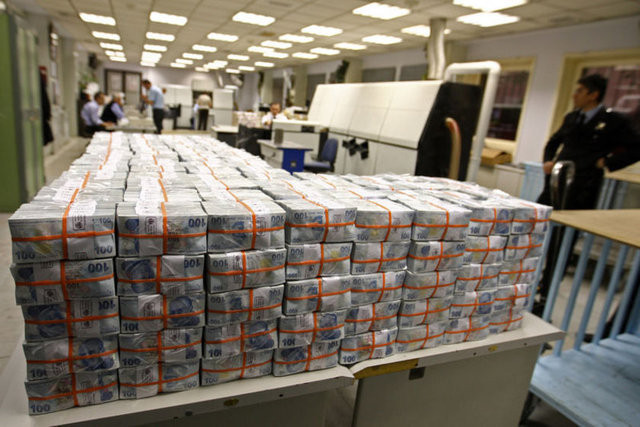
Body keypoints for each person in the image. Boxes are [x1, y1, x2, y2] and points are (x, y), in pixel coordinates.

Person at [534, 74, 640, 315]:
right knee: (537, 230)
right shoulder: (572, 118)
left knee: (562, 245)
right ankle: (527, 281)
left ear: (593, 94)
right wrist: (548, 161)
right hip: (556, 185)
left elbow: (636, 147)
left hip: (582, 189)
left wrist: (608, 162)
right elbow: (553, 142)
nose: (575, 95)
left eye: (580, 91)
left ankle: (545, 294)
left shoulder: (613, 122)